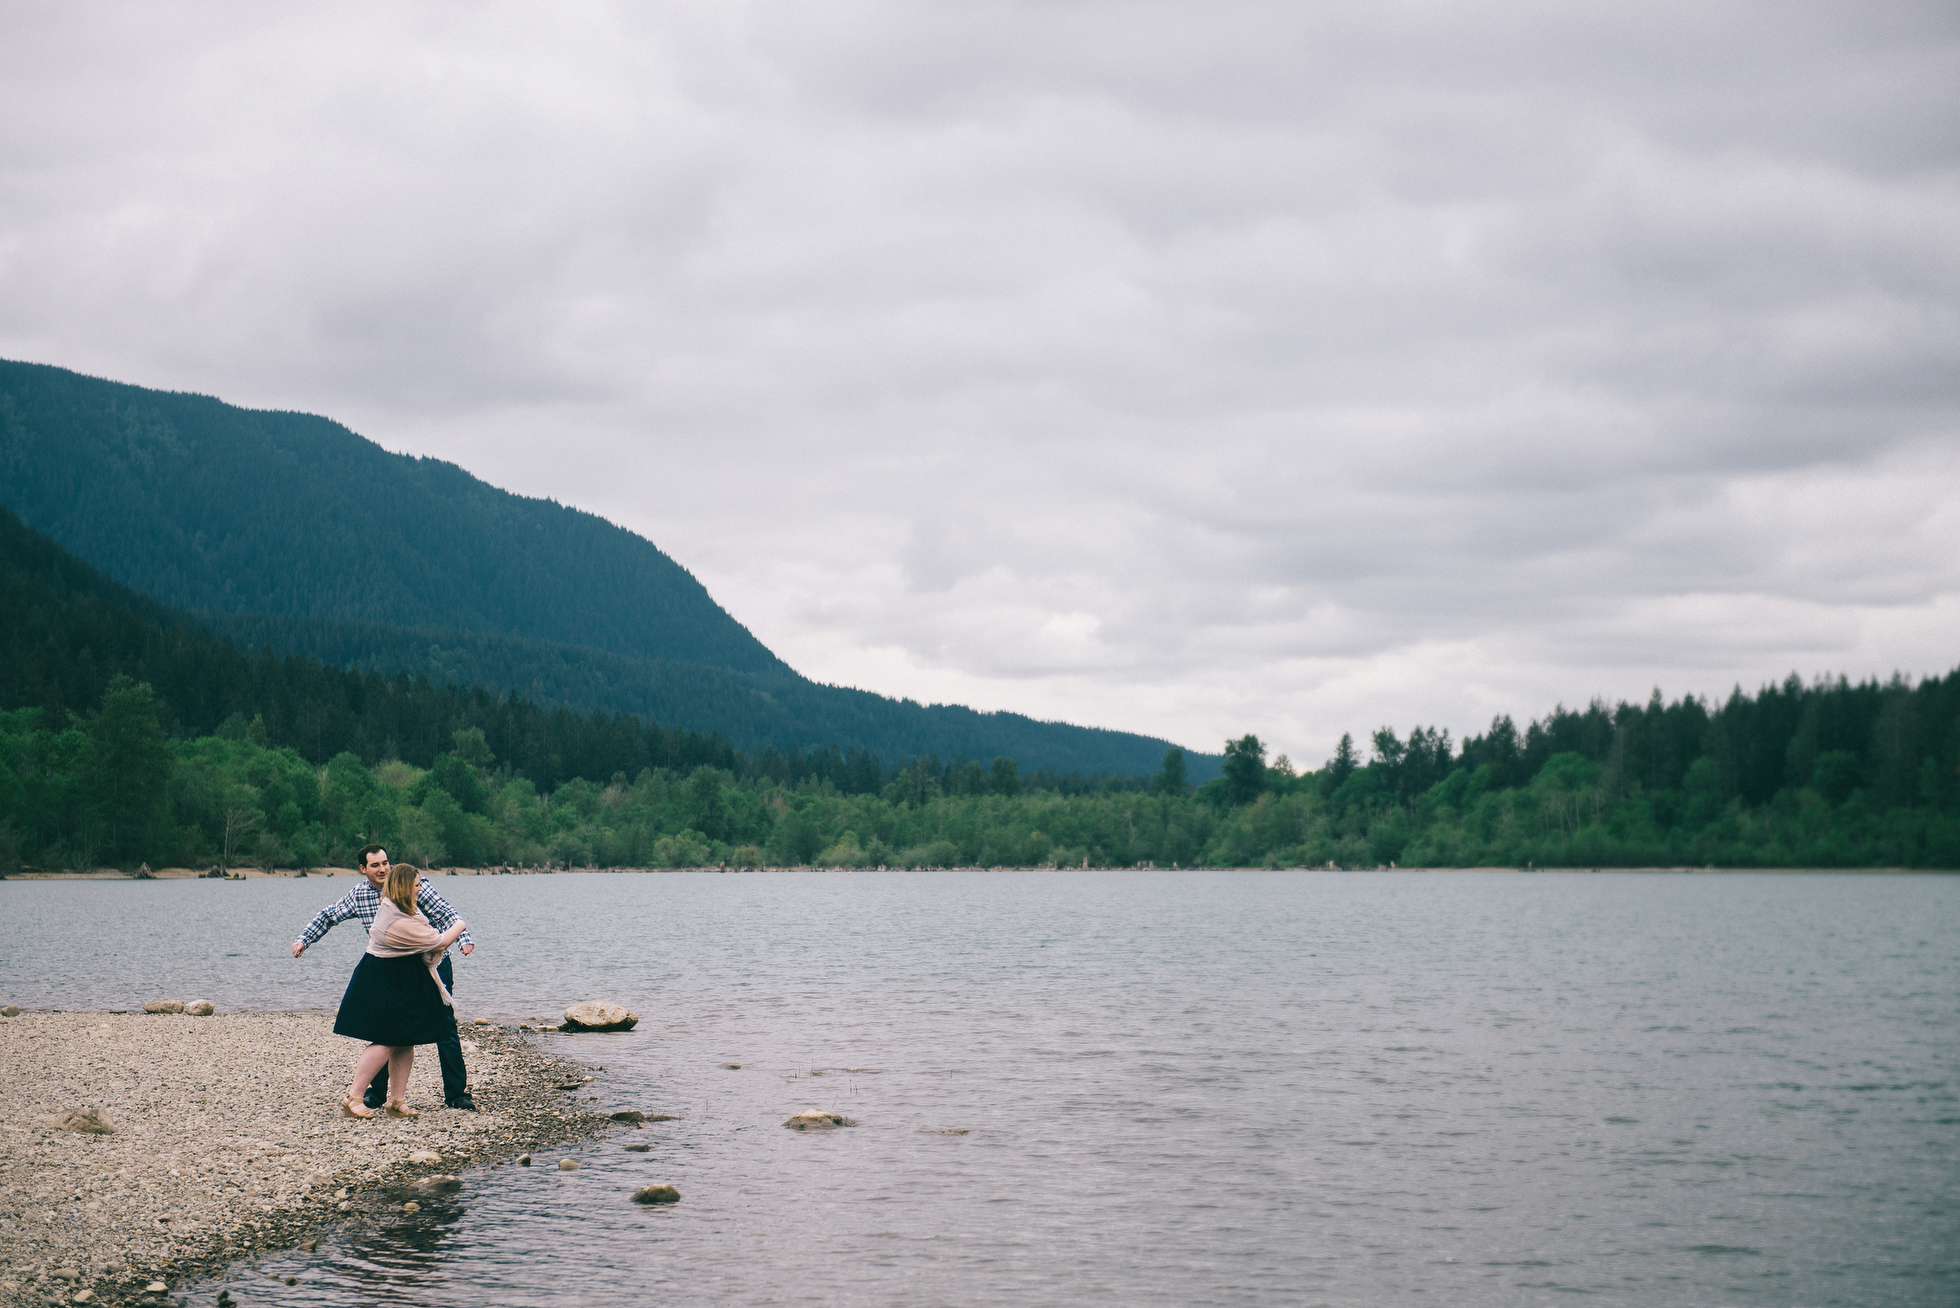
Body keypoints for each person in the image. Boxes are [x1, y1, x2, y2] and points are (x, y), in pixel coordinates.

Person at [293, 845, 478, 1110]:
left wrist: (464, 939)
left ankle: (456, 1094)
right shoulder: (360, 895)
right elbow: (328, 915)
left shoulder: (410, 884)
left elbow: (445, 913)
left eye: (385, 863)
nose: (383, 869)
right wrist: (304, 940)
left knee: (444, 1027)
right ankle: (376, 1094)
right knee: (389, 1030)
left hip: (432, 965)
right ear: (363, 869)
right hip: (396, 970)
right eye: (375, 865)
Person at [330, 862, 466, 1119]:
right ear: (405, 888)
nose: (420, 889)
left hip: (400, 978)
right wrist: (460, 924)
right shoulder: (397, 920)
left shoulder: (399, 908)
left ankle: (396, 1100)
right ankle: (354, 1096)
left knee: (404, 1040)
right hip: (382, 981)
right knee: (385, 1041)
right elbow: (440, 941)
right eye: (417, 886)